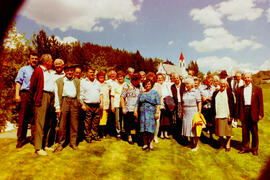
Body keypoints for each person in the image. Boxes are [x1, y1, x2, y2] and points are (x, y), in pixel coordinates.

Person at [29, 54, 54, 156]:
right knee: (40, 123)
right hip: (42, 97)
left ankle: (45, 145)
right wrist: (36, 98)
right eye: (51, 60)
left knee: (48, 122)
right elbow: (32, 87)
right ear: (46, 62)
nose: (52, 62)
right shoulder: (38, 71)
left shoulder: (48, 72)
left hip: (50, 96)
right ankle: (38, 148)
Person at [54, 64, 80, 152]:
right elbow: (57, 95)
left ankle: (73, 143)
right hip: (64, 101)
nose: (70, 72)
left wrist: (80, 102)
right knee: (62, 124)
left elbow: (80, 93)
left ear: (73, 71)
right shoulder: (59, 81)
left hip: (74, 101)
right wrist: (57, 106)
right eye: (68, 70)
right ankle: (61, 143)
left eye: (71, 70)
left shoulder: (77, 81)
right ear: (65, 71)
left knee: (74, 124)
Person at [14, 52, 39, 148]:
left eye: (36, 59)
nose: (34, 60)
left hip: (35, 95)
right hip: (25, 94)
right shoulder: (23, 69)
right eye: (32, 58)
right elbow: (18, 82)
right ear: (29, 60)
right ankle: (21, 139)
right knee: (23, 117)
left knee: (35, 118)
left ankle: (34, 139)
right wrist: (17, 95)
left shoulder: (39, 70)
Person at [237, 73, 264, 156]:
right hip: (244, 111)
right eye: (245, 78)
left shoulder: (257, 89)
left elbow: (261, 103)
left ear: (251, 78)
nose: (247, 79)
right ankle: (245, 147)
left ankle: (254, 149)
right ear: (243, 79)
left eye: (248, 77)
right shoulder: (240, 89)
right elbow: (238, 103)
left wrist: (260, 114)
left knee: (254, 131)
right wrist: (238, 114)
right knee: (245, 131)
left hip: (253, 112)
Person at [134, 79, 161, 150]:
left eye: (149, 84)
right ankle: (145, 143)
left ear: (151, 85)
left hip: (151, 113)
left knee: (151, 129)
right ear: (144, 85)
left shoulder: (155, 93)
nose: (147, 85)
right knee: (143, 128)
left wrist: (157, 113)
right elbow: (137, 103)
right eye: (146, 84)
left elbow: (158, 103)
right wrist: (135, 111)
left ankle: (151, 142)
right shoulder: (141, 93)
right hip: (142, 113)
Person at [80, 67, 103, 143]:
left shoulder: (98, 83)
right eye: (90, 72)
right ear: (87, 73)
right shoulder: (83, 82)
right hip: (87, 105)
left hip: (97, 105)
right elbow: (81, 94)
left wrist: (101, 103)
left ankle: (95, 135)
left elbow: (101, 94)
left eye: (93, 72)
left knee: (96, 122)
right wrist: (82, 104)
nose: (92, 74)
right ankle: (88, 136)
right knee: (88, 122)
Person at [211, 79, 234, 152]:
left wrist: (231, 115)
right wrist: (213, 115)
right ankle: (222, 144)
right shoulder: (215, 93)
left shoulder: (229, 93)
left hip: (227, 115)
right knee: (219, 132)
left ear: (226, 84)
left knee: (228, 132)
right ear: (219, 84)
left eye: (224, 83)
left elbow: (232, 104)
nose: (223, 85)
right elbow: (213, 105)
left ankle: (228, 144)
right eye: (221, 83)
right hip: (218, 114)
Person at [181, 77, 202, 151]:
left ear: (191, 84)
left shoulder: (196, 92)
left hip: (193, 111)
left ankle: (196, 145)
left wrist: (199, 112)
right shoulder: (184, 92)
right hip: (185, 112)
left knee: (194, 129)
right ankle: (191, 143)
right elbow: (183, 103)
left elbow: (199, 102)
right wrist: (181, 112)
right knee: (188, 128)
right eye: (185, 83)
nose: (186, 85)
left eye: (187, 83)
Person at [121, 73, 141, 144]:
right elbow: (122, 97)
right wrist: (123, 107)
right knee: (128, 124)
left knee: (137, 124)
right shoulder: (126, 85)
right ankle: (129, 137)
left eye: (138, 80)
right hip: (128, 108)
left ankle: (136, 137)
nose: (137, 82)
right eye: (135, 80)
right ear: (132, 80)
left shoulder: (140, 86)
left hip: (137, 109)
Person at [111, 70, 125, 139]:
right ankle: (118, 133)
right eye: (119, 77)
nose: (120, 78)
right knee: (117, 120)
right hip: (116, 104)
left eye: (121, 77)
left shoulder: (126, 85)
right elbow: (112, 96)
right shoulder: (114, 85)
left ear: (123, 77)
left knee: (124, 119)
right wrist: (112, 105)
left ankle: (124, 132)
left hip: (125, 105)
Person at [200, 76, 215, 141]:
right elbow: (201, 97)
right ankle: (201, 135)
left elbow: (213, 98)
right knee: (203, 122)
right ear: (206, 81)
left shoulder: (214, 88)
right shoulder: (201, 88)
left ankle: (211, 136)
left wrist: (208, 98)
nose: (210, 82)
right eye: (208, 81)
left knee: (211, 123)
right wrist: (204, 98)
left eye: (211, 81)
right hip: (204, 108)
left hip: (211, 108)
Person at [171, 74, 184, 140]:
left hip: (183, 103)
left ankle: (183, 132)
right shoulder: (172, 86)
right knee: (177, 118)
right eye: (175, 78)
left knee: (182, 118)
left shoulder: (183, 85)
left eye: (177, 78)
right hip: (176, 103)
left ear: (180, 78)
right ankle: (178, 133)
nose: (176, 79)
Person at [97, 70, 110, 139]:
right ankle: (98, 134)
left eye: (103, 76)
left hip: (105, 104)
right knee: (97, 120)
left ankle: (103, 133)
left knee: (104, 120)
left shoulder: (107, 84)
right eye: (100, 76)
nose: (101, 77)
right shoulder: (96, 83)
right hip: (97, 104)